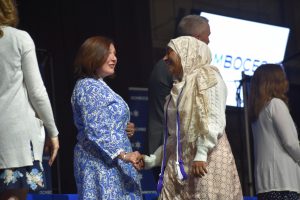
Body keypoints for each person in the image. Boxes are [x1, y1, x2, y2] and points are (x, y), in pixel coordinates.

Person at [144, 36, 243, 199]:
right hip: (182, 163)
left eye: (170, 52)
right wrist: (154, 159)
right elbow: (176, 136)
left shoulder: (207, 76)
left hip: (205, 161)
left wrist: (201, 153)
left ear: (186, 53)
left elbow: (213, 118)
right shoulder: (179, 87)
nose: (165, 58)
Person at [71, 36, 144, 200]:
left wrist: (123, 127)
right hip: (99, 164)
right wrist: (124, 155)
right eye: (108, 54)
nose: (114, 58)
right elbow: (95, 129)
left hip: (113, 163)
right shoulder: (87, 87)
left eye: (115, 53)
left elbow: (105, 122)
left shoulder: (99, 85)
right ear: (93, 56)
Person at [0, 0, 60, 199]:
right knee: (14, 195)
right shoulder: (19, 38)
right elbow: (37, 92)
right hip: (14, 136)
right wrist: (53, 131)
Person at [147, 14, 211, 181]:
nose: (209, 41)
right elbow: (170, 115)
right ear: (197, 39)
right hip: (168, 147)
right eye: (207, 36)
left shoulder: (195, 70)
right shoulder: (168, 66)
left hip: (182, 147)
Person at [248, 64, 300, 200]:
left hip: (265, 185)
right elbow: (291, 143)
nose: (286, 82)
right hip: (283, 182)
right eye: (283, 78)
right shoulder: (276, 104)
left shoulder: (258, 111)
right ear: (275, 82)